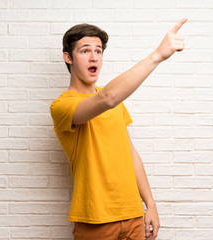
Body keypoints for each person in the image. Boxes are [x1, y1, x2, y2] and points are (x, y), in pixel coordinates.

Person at [50, 18, 187, 240]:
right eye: (85, 51)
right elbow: (108, 98)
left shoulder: (115, 101)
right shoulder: (62, 106)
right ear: (68, 58)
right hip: (96, 220)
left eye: (98, 51)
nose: (94, 57)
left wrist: (150, 204)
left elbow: (130, 153)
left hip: (133, 215)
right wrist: (157, 55)